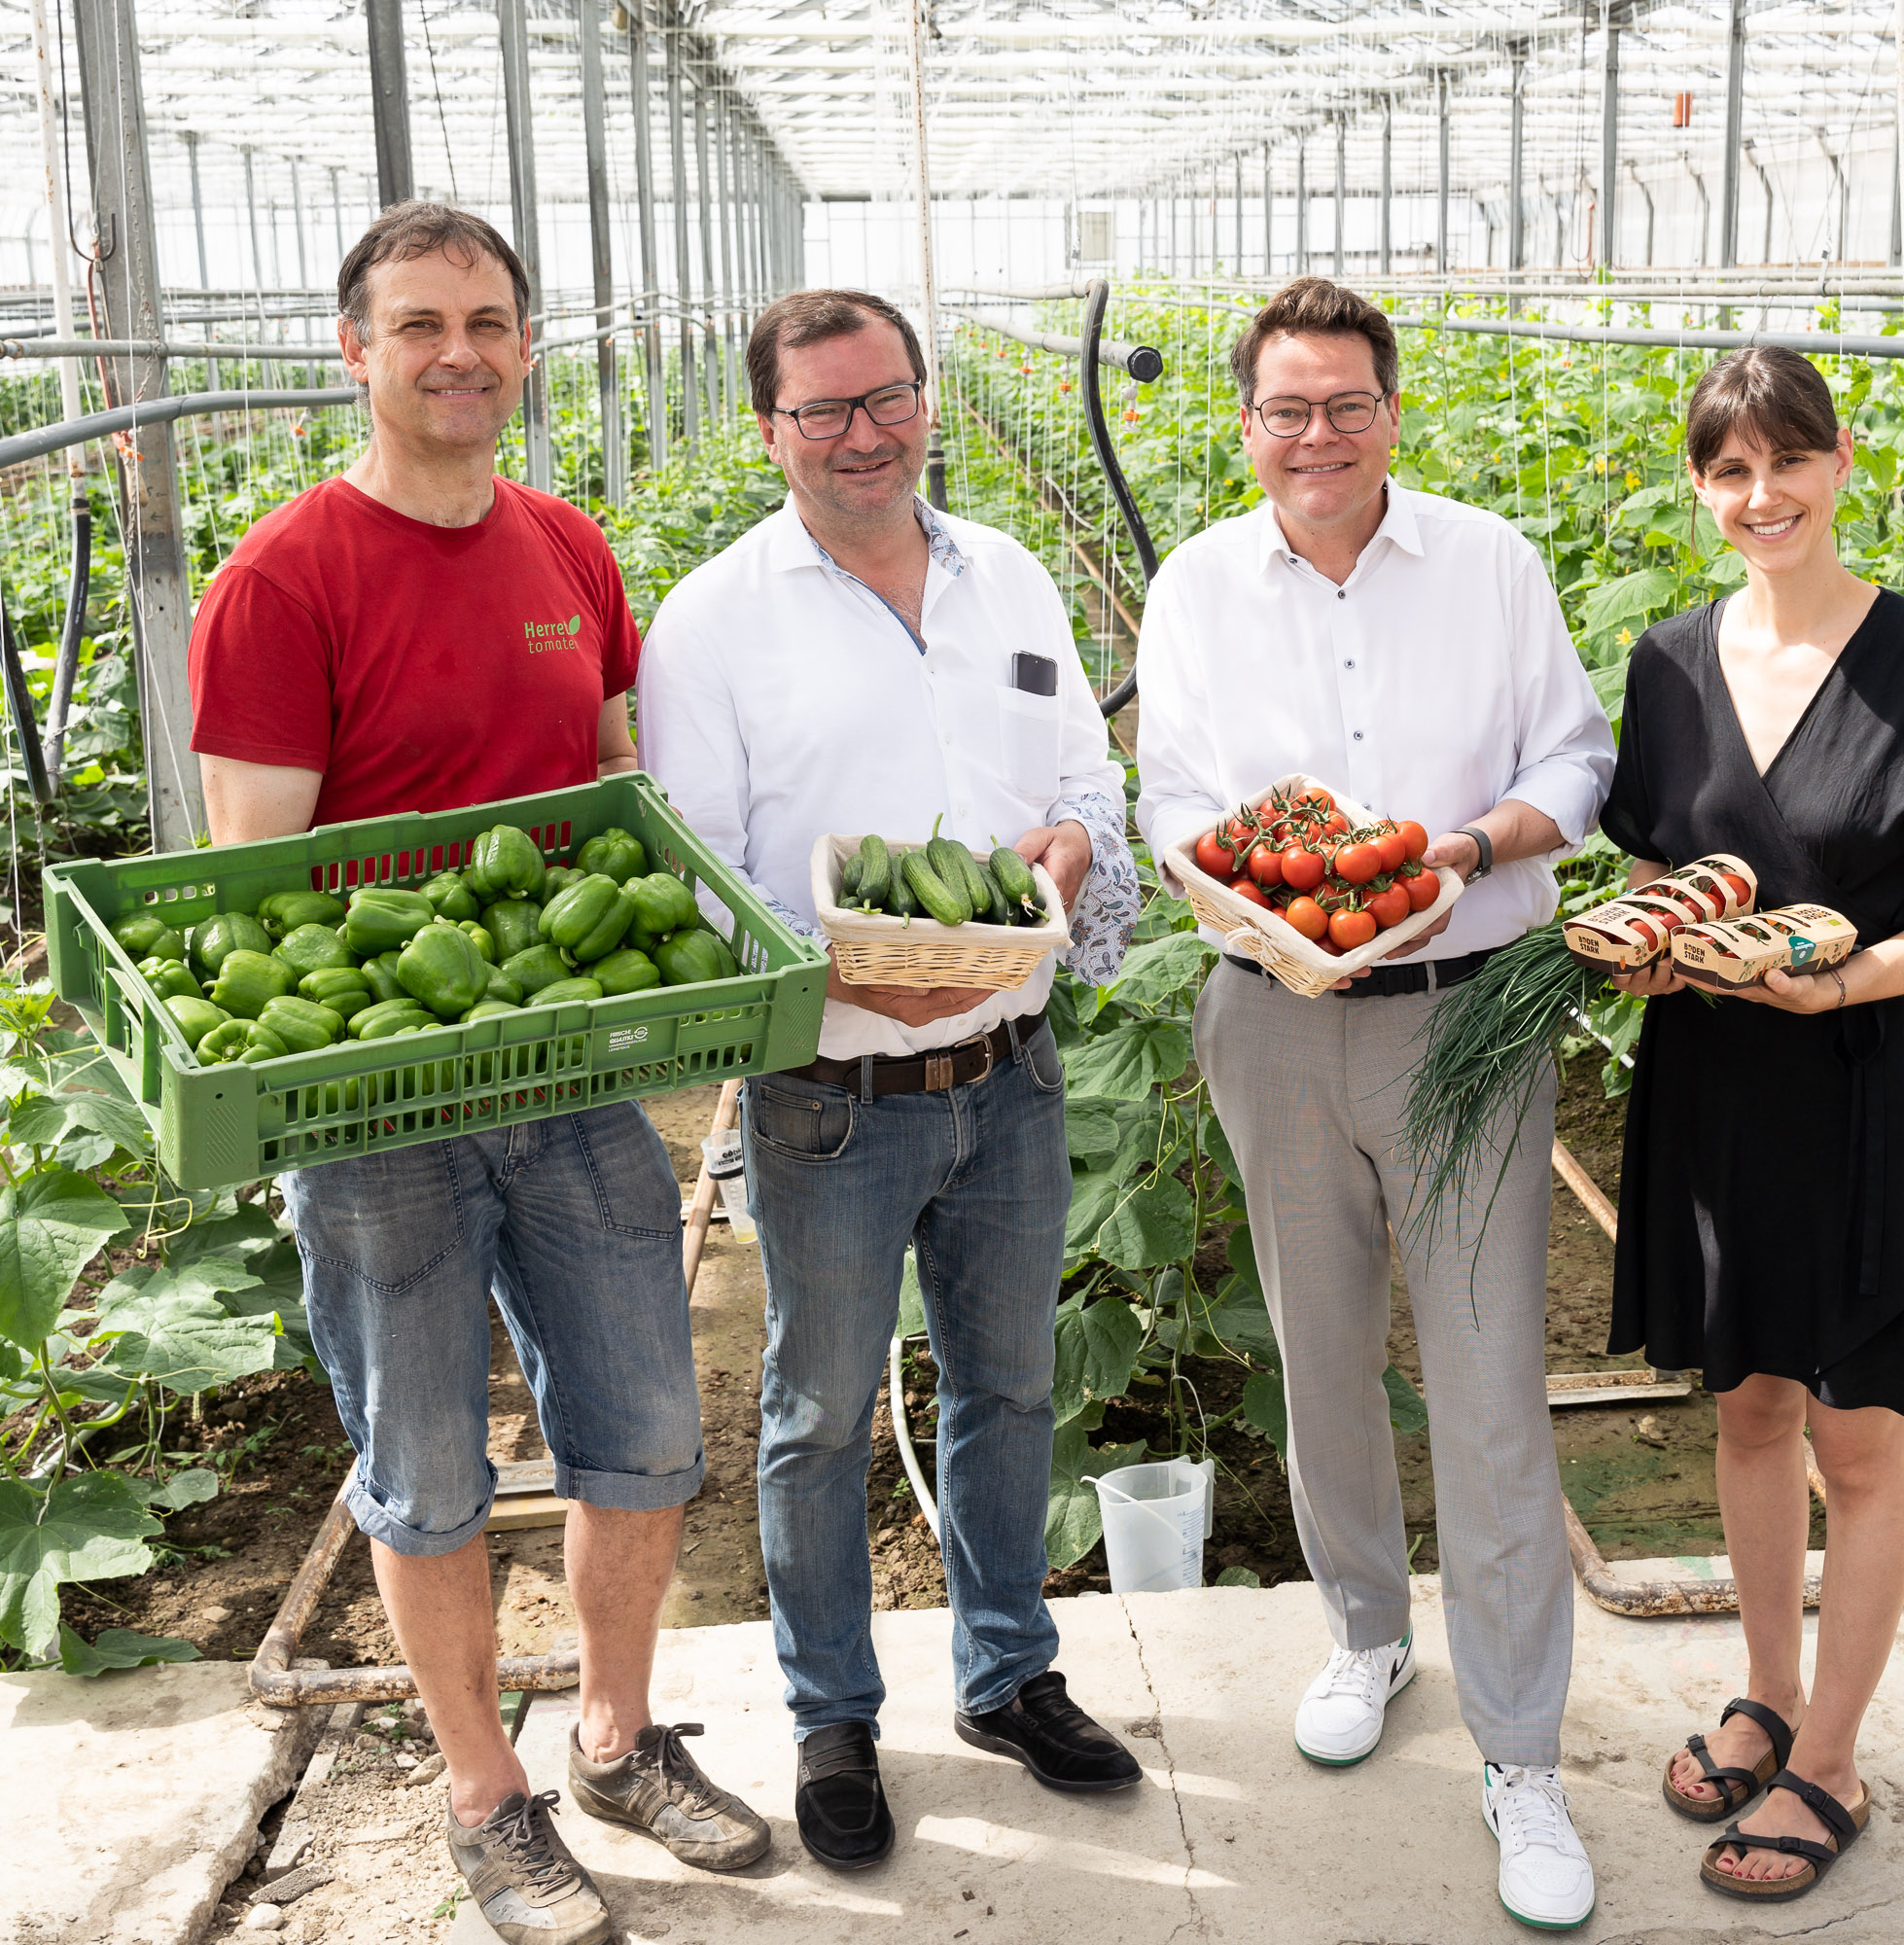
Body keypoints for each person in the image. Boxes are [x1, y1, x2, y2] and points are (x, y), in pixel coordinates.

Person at [187, 202, 767, 1945]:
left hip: (574, 1078)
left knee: (645, 1436)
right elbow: (255, 888)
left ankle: (613, 1738)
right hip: (377, 1110)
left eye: (490, 322)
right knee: (425, 1465)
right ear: (355, 352)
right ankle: (482, 1795)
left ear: (527, 347)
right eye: (421, 323)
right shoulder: (282, 577)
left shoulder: (569, 550)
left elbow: (614, 787)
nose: (461, 352)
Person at [638, 288, 1146, 1872]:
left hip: (1014, 1072)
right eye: (824, 411)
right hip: (835, 1099)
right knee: (815, 1410)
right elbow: (705, 874)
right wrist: (834, 963)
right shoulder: (715, 619)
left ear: (927, 399)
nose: (865, 436)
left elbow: (1083, 785)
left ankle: (1007, 1676)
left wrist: (1071, 846)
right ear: (770, 430)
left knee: (1006, 1388)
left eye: (887, 399)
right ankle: (832, 1715)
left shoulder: (1008, 572)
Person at [1132, 277, 1616, 1933]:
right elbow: (1180, 808)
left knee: (1488, 1383)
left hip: (1468, 1016)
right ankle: (1362, 1634)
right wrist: (1271, 906)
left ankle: (1524, 1752)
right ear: (1247, 423)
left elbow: (1576, 761)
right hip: (1273, 1013)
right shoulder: (1195, 586)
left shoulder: (1488, 563)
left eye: (1346, 404)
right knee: (1319, 1345)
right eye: (1287, 409)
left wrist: (1464, 853)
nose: (1317, 435)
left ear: (1393, 412)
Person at [1597, 346, 1904, 1903]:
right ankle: (1767, 1692)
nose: (1761, 496)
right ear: (1700, 486)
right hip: (1717, 1091)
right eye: (1729, 471)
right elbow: (1667, 873)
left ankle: (1835, 1760)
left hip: (1862, 1092)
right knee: (1749, 1411)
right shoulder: (1666, 665)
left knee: (1860, 1442)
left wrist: (1843, 980)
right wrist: (1655, 951)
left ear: (1841, 466)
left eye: (1789, 463)